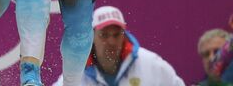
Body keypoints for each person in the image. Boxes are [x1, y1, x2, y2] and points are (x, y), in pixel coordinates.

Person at [53, 5, 184, 85]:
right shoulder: (76, 74)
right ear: (91, 37)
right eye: (104, 35)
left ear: (124, 35)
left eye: (116, 35)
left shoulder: (151, 65)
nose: (111, 42)